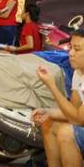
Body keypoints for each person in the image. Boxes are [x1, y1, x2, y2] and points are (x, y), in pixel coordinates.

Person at [33, 28, 84, 166]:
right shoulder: (79, 72)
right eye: (71, 47)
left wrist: (52, 85)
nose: (70, 53)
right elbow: (73, 110)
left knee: (66, 132)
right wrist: (48, 112)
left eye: (77, 49)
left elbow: (78, 120)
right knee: (48, 122)